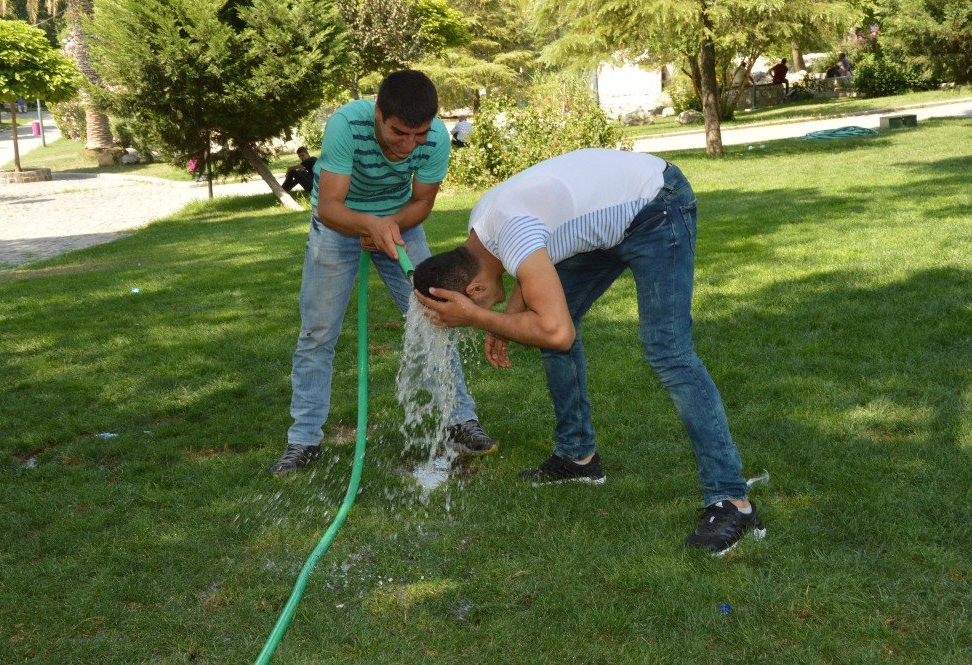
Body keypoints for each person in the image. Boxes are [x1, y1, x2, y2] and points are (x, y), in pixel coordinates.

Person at [413, 148, 765, 555]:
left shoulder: (513, 232)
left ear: (473, 290)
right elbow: (536, 266)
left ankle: (732, 500)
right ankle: (577, 457)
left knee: (666, 348)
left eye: (475, 304)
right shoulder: (482, 227)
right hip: (607, 222)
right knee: (544, 328)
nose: (481, 309)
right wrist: (509, 317)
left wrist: (480, 319)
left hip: (657, 205)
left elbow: (556, 331)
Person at [271, 69, 498, 476]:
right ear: (378, 114)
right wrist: (369, 226)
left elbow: (423, 201)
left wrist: (388, 225)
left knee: (437, 314)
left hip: (401, 224)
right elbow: (330, 205)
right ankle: (304, 440)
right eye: (399, 133)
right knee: (316, 332)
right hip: (337, 226)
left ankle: (461, 420)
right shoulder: (346, 125)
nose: (409, 145)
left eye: (419, 134)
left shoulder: (437, 139)